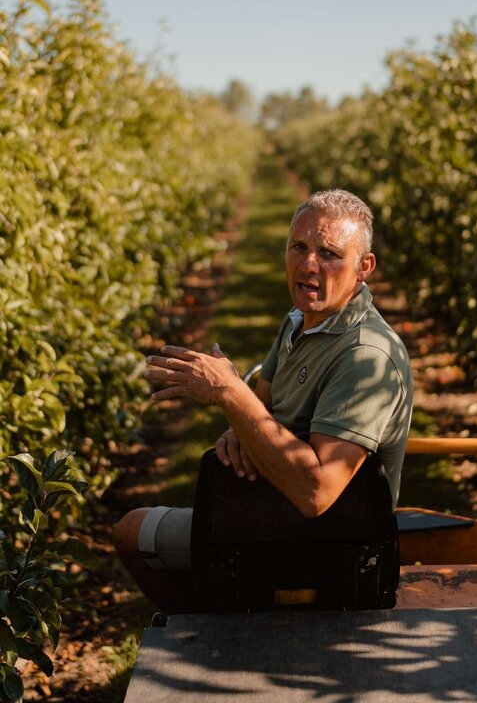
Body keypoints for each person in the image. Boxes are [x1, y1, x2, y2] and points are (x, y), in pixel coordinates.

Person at [114, 189, 413, 612]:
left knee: (130, 531)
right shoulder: (300, 322)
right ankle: (209, 626)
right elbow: (263, 397)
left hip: (325, 543)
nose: (309, 264)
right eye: (299, 247)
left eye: (329, 253)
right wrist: (242, 420)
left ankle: (201, 629)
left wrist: (230, 395)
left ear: (363, 267)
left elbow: (318, 492)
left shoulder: (365, 357)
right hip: (262, 513)